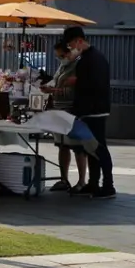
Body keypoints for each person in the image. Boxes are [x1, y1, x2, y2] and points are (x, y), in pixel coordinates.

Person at [63, 26, 115, 199]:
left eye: (71, 44)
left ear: (79, 41)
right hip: (90, 110)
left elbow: (94, 85)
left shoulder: (92, 59)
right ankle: (93, 183)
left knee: (99, 148)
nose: (71, 48)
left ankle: (108, 185)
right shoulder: (88, 57)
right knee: (91, 149)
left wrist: (76, 82)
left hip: (95, 110)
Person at [41, 41, 88, 193]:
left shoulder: (78, 66)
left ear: (70, 52)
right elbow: (56, 80)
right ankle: (64, 179)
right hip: (58, 108)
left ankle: (81, 181)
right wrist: (49, 87)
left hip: (71, 110)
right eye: (58, 57)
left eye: (62, 55)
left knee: (77, 147)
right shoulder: (63, 67)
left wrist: (55, 90)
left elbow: (77, 89)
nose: (61, 59)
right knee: (62, 145)